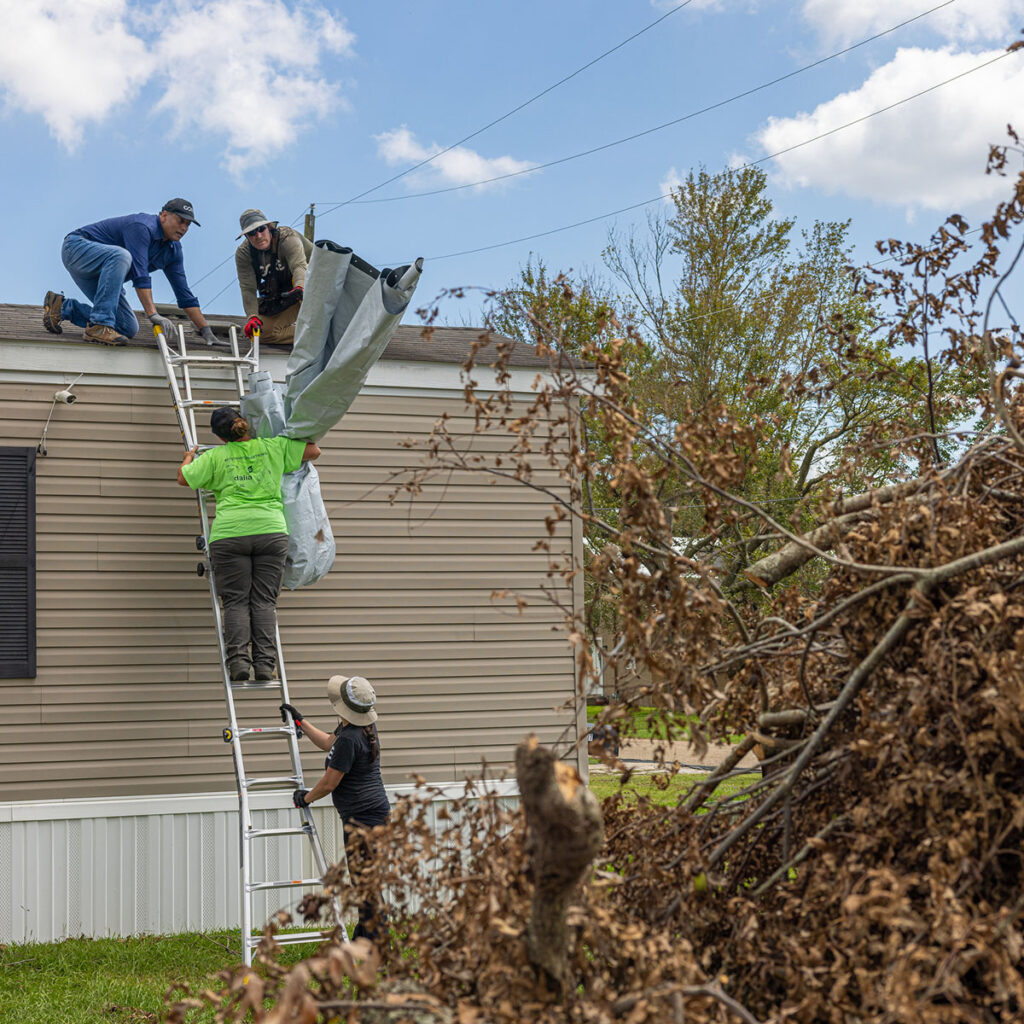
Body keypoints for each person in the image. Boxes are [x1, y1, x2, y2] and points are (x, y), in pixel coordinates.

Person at [176, 406, 321, 682]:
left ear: (220, 437)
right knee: (264, 601)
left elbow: (184, 478)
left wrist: (187, 458)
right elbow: (314, 452)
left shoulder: (216, 456)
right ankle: (265, 666)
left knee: (236, 602)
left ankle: (239, 664)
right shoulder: (272, 447)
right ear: (246, 426)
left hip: (230, 535)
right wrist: (280, 436)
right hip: (270, 532)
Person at [282, 675, 391, 942]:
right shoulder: (355, 728)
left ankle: (376, 946)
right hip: (370, 816)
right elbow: (328, 742)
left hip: (364, 820)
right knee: (366, 885)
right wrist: (301, 722)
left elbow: (330, 782)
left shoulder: (351, 738)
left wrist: (305, 798)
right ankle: (365, 940)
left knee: (366, 886)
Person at [43, 198, 218, 347]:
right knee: (122, 256)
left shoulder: (173, 251)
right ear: (163, 215)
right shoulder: (142, 227)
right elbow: (140, 275)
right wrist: (153, 314)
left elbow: (184, 294)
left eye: (188, 224)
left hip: (103, 275)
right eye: (180, 220)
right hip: (77, 249)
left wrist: (206, 331)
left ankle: (62, 308)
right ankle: (99, 326)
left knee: (127, 327)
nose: (184, 228)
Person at [234, 208, 314, 347]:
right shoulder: (244, 254)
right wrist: (252, 317)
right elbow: (248, 289)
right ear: (247, 237)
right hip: (285, 296)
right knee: (259, 334)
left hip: (311, 288)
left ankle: (319, 326)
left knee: (300, 279)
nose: (258, 236)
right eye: (252, 233)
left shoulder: (287, 237)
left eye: (261, 229)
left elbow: (299, 266)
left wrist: (300, 287)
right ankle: (313, 335)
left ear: (269, 227)